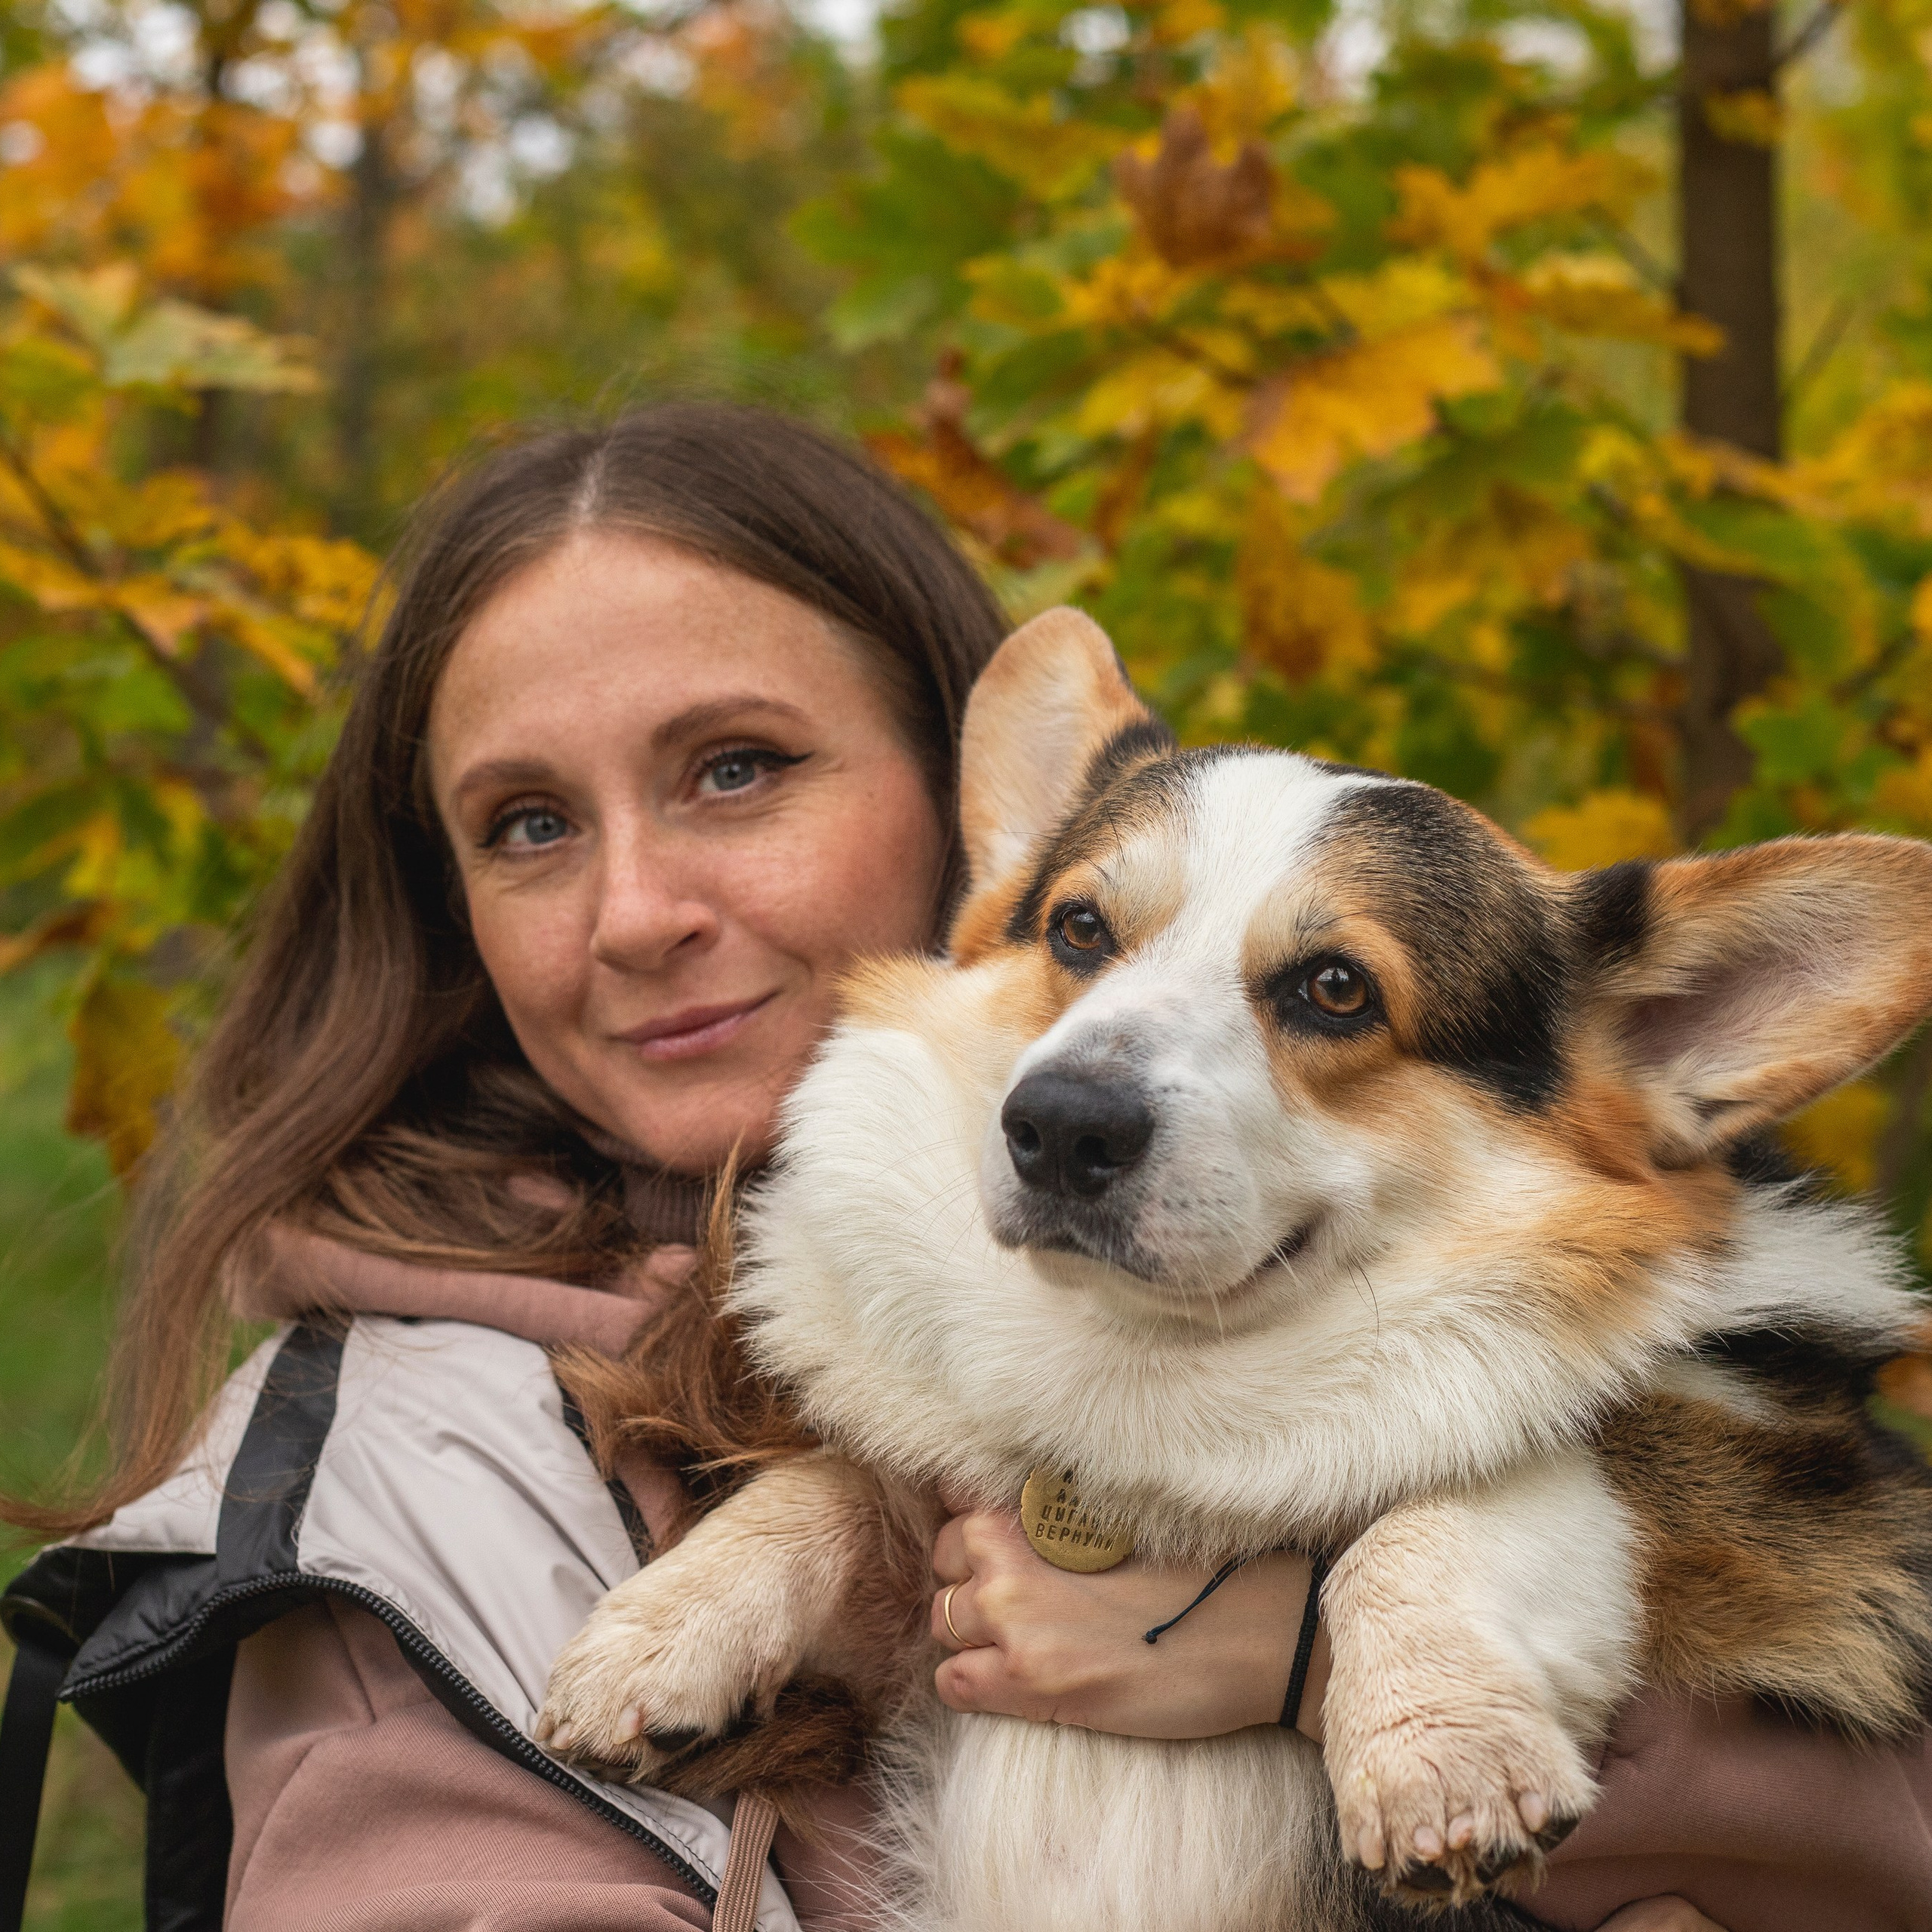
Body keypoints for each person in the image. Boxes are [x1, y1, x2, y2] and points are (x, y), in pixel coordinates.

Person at [4, 403, 1927, 1932]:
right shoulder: (403, 1473)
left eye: (736, 766)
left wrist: (1333, 1650)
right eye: (522, 824)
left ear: (956, 819)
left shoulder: (1562, 1383)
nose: (637, 910)